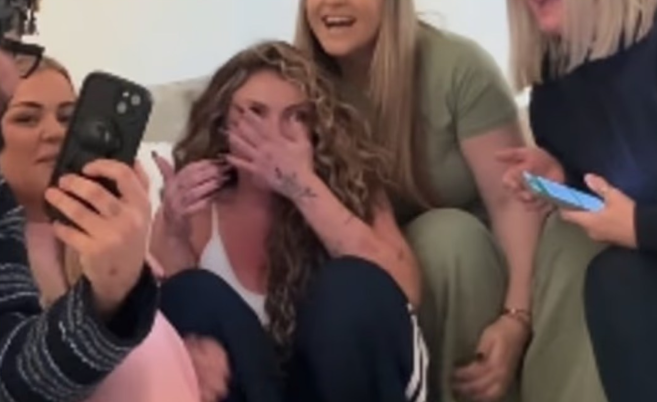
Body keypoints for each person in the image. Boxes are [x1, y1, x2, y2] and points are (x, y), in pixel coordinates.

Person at [293, 1, 576, 401]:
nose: (332, 3)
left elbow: (513, 200)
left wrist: (516, 318)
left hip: (476, 269)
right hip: (365, 279)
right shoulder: (295, 89)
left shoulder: (459, 67)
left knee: (450, 239)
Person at [149, 40, 427, 402]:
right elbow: (168, 319)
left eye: (296, 116)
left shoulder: (351, 188)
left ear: (317, 128)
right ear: (223, 122)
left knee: (348, 284)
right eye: (255, 112)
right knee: (192, 291)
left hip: (344, 387)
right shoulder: (198, 203)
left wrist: (302, 185)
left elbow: (402, 290)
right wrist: (173, 229)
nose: (273, 133)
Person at [0, 55, 200, 402]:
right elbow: (20, 375)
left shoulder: (104, 237)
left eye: (68, 117)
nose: (56, 132)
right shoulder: (12, 255)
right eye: (26, 118)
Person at [502, 0, 657, 401]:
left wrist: (639, 226)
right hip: (634, 279)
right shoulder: (552, 92)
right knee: (614, 279)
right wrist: (561, 179)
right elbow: (607, 202)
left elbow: (630, 214)